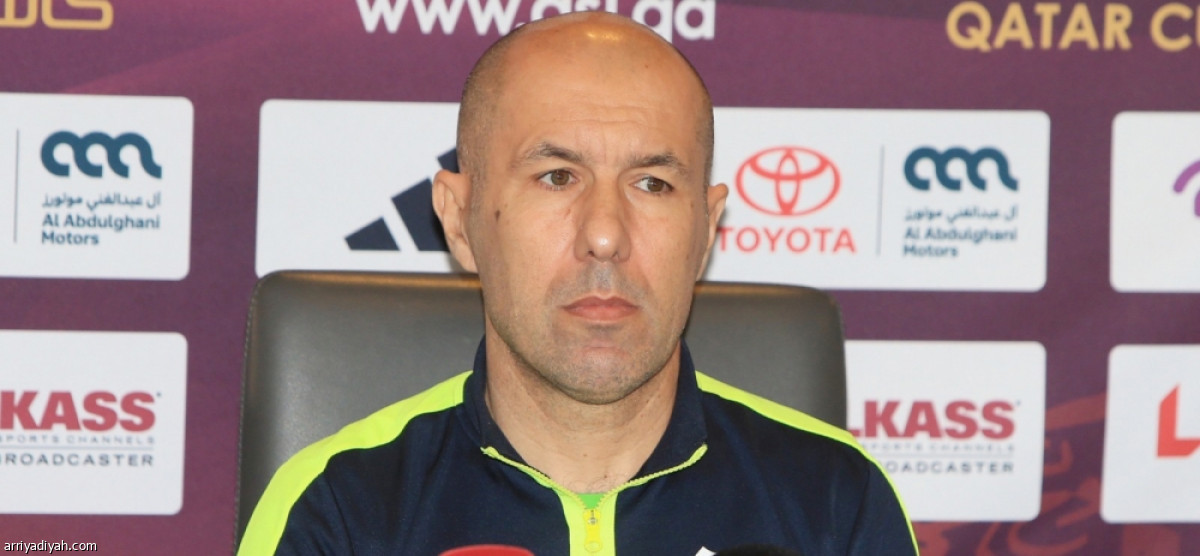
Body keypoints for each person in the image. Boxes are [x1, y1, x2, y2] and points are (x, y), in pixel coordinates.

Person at [239, 11, 917, 555]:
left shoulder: (838, 501)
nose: (605, 234)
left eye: (652, 184)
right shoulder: (337, 509)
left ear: (706, 230)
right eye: (557, 177)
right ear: (460, 220)